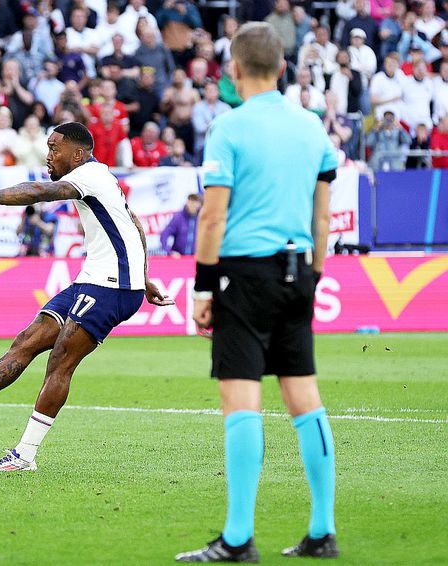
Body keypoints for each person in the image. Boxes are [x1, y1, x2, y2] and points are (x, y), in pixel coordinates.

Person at [0, 121, 171, 472]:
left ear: (77, 154)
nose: (48, 156)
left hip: (112, 288)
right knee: (26, 342)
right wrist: (144, 275)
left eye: (54, 149)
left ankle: (24, 456)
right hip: (93, 281)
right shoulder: (99, 178)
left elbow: (38, 192)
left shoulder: (90, 176)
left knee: (60, 361)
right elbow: (134, 223)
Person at [176, 23, 339, 562]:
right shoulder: (313, 127)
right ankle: (322, 531)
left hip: (242, 276)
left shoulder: (230, 128)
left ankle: (239, 538)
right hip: (298, 272)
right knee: (304, 400)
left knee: (240, 400)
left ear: (235, 70)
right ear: (284, 68)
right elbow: (323, 215)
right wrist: (313, 273)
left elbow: (213, 216)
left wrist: (202, 288)